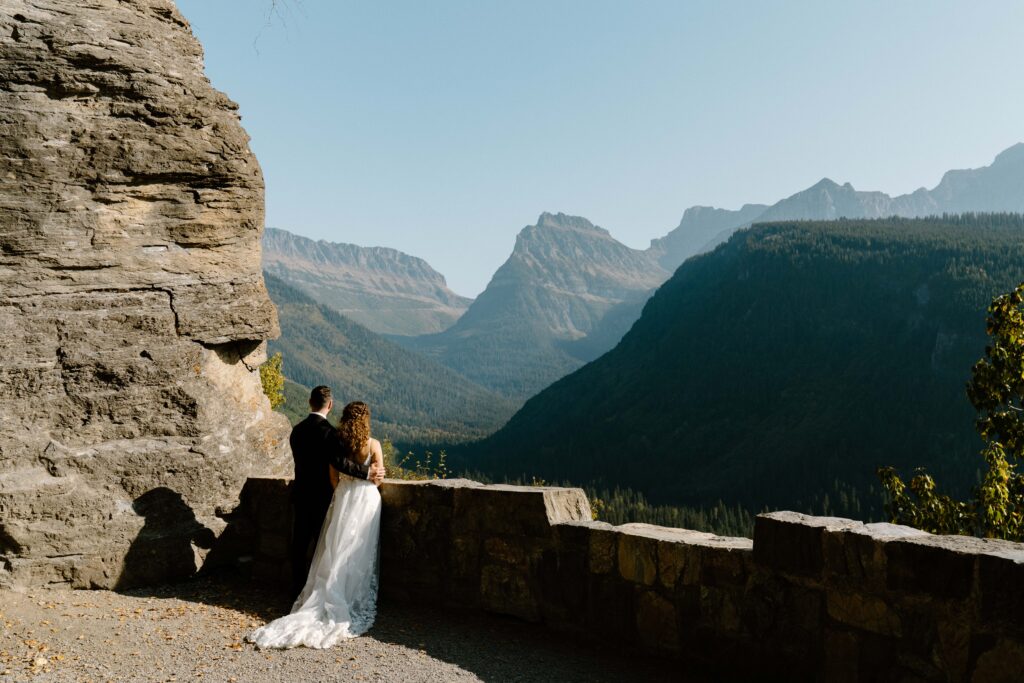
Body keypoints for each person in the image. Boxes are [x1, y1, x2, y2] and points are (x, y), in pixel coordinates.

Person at [249, 401, 385, 649]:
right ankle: (352, 591)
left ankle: (316, 589)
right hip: (366, 499)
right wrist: (366, 485)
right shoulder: (373, 444)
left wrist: (343, 492)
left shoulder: (337, 442)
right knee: (358, 548)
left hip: (342, 497)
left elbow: (334, 475)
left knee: (334, 546)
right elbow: (379, 476)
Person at [286, 386, 384, 598]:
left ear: (310, 402)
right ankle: (316, 590)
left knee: (299, 543)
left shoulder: (297, 430)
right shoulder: (330, 433)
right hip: (322, 496)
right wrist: (368, 472)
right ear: (329, 405)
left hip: (301, 493)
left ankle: (296, 587)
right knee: (324, 547)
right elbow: (340, 463)